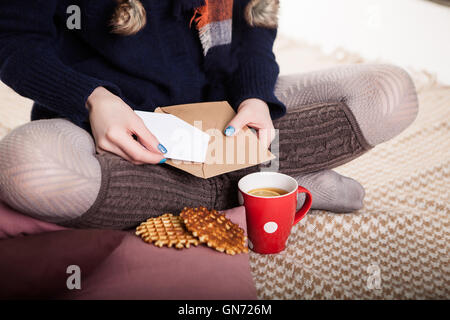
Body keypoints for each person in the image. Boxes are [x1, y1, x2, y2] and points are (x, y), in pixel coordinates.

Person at [0, 0, 418, 229]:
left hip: (224, 108)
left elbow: (254, 19)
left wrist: (254, 96)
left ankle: (221, 185)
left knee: (389, 93)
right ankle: (260, 188)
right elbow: (16, 41)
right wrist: (92, 99)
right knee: (28, 169)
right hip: (102, 126)